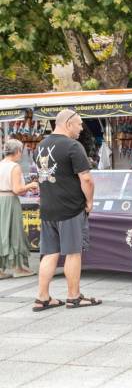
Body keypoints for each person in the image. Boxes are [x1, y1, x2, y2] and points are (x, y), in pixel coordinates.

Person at [34, 109, 100, 311]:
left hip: (47, 207)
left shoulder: (40, 146)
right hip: (70, 208)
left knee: (50, 253)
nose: (81, 129)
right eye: (79, 124)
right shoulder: (73, 146)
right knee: (73, 253)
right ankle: (74, 297)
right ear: (68, 123)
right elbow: (86, 179)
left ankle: (42, 298)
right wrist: (89, 201)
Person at [0, 139, 38, 279]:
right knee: (15, 232)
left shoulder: (1, 164)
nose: (21, 154)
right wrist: (31, 185)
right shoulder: (14, 167)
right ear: (16, 151)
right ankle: (18, 268)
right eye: (21, 151)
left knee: (2, 233)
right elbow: (17, 189)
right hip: (10, 201)